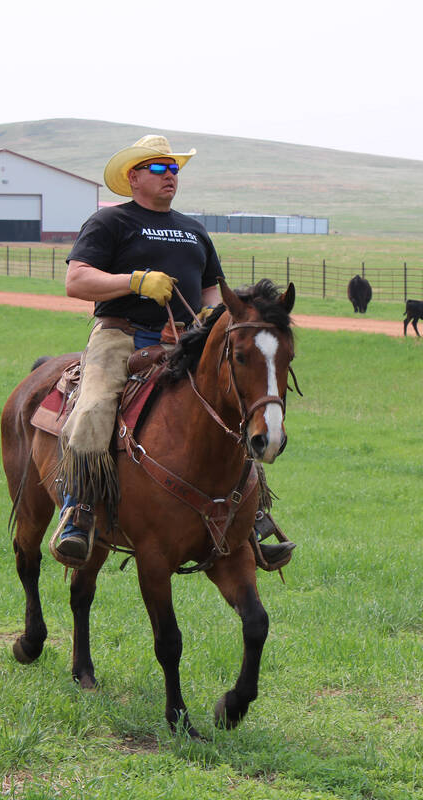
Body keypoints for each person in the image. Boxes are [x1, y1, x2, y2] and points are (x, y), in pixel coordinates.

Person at [49, 134, 296, 572]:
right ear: (134, 177)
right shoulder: (110, 223)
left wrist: (210, 314)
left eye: (175, 169)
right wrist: (135, 281)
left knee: (229, 410)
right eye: (160, 169)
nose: (171, 176)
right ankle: (79, 513)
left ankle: (250, 518)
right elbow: (77, 281)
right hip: (120, 336)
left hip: (184, 338)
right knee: (93, 408)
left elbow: (207, 292)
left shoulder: (193, 230)